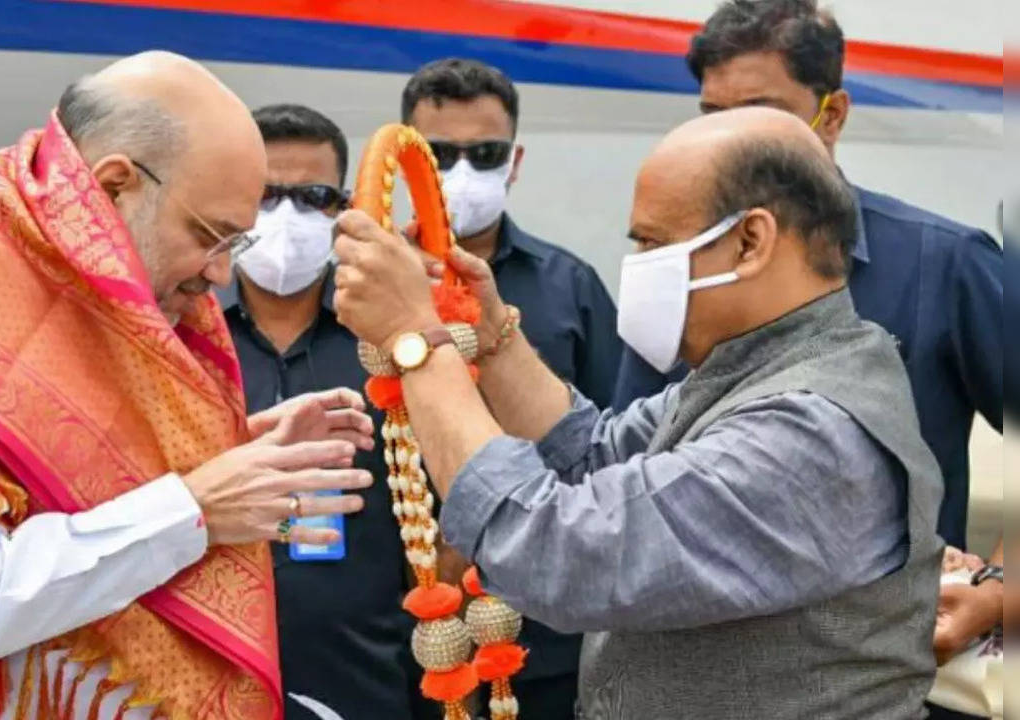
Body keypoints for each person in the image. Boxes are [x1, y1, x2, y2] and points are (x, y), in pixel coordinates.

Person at [0, 52, 377, 720]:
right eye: (209, 235)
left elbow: (73, 477)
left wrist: (237, 455)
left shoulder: (81, 298)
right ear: (113, 188)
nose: (221, 274)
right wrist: (192, 509)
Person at [332, 106, 943, 719]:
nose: (639, 265)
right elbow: (589, 456)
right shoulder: (753, 374)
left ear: (750, 242)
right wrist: (488, 333)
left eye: (652, 242)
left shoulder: (810, 432)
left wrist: (417, 340)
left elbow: (556, 553)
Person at [612, 5, 1004, 660]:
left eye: (763, 117)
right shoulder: (672, 269)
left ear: (832, 115)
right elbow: (622, 464)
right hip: (703, 675)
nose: (731, 149)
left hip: (883, 676)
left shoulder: (943, 264)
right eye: (714, 119)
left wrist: (997, 592)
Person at [400, 58, 622, 717]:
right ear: (409, 156)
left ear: (514, 161)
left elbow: (614, 452)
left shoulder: (570, 288)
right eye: (439, 153)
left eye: (485, 153)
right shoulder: (358, 290)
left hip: (540, 631)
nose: (462, 171)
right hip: (398, 637)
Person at [219, 103, 417, 719]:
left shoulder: (389, 336)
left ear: (343, 208)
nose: (286, 217)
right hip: (212, 665)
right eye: (265, 195)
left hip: (368, 673)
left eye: (312, 196)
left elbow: (441, 507)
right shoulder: (182, 333)